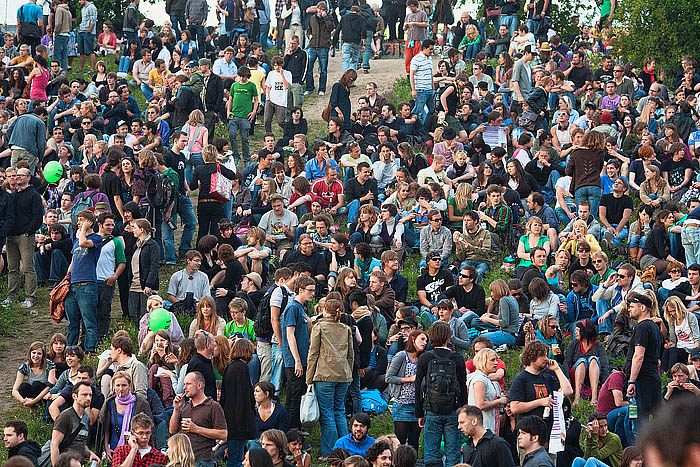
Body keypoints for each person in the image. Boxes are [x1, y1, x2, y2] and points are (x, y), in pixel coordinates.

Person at [415, 321, 467, 467]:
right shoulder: (457, 358)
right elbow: (462, 386)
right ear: (448, 337)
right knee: (453, 454)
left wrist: (419, 412)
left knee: (431, 455)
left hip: (431, 410)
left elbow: (419, 386)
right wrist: (463, 411)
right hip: (453, 410)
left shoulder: (425, 358)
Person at [306, 298, 353, 456]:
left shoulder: (319, 327)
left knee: (327, 414)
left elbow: (313, 354)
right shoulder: (346, 328)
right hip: (344, 375)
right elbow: (350, 355)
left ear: (324, 310)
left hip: (325, 375)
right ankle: (345, 449)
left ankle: (331, 453)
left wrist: (309, 378)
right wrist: (348, 372)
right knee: (339, 411)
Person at [4, 167, 43, 309]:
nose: (17, 177)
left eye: (21, 175)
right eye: (16, 175)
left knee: (27, 267)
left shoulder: (33, 195)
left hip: (25, 236)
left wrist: (29, 231)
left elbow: (38, 216)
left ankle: (30, 297)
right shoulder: (13, 195)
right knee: (12, 268)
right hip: (11, 236)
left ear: (28, 177)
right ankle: (11, 296)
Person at [169, 372, 227, 467]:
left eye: (188, 384)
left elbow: (223, 434)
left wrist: (196, 429)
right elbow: (172, 430)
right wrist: (176, 409)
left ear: (199, 385)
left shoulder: (213, 406)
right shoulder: (186, 406)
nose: (184, 388)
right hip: (184, 459)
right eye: (184, 384)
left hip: (203, 460)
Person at [64, 210, 102, 353]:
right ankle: (70, 351)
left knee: (89, 322)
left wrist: (84, 229)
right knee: (72, 323)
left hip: (87, 285)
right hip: (73, 285)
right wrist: (66, 279)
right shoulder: (76, 241)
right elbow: (73, 261)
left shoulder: (96, 238)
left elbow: (83, 243)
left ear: (89, 222)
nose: (78, 223)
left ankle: (90, 350)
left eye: (81, 220)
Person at [625, 292, 664, 429]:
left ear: (642, 308)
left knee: (639, 422)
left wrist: (631, 381)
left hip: (642, 380)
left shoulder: (642, 327)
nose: (629, 309)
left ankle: (640, 450)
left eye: (632, 306)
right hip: (652, 377)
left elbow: (639, 356)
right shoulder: (654, 327)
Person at [281, 275, 315, 430]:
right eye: (310, 290)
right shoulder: (293, 307)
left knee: (297, 395)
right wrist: (297, 361)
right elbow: (289, 334)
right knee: (294, 397)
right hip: (294, 361)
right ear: (300, 290)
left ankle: (293, 429)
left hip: (302, 357)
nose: (313, 293)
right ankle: (291, 431)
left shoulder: (301, 308)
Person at [510, 340, 574, 421]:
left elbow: (568, 391)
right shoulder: (520, 379)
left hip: (546, 428)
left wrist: (557, 369)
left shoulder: (547, 378)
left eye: (546, 356)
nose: (546, 359)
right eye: (542, 356)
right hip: (528, 428)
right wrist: (539, 402)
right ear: (532, 356)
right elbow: (515, 408)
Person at [98, 371, 152, 462]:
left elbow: (149, 427)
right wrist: (106, 446)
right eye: (117, 385)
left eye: (124, 385)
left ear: (129, 386)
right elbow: (106, 428)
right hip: (114, 449)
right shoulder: (110, 403)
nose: (120, 388)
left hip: (135, 447)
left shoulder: (140, 403)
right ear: (113, 386)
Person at [221, 338, 257, 467]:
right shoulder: (242, 368)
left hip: (230, 418)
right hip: (238, 422)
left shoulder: (230, 368)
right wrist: (244, 424)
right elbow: (242, 398)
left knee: (234, 457)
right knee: (235, 459)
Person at [49, 382, 101, 466]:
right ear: (74, 396)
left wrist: (90, 453)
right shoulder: (65, 416)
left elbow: (81, 442)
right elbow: (54, 444)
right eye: (84, 394)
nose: (88, 398)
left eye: (90, 395)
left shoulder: (86, 418)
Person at [563, 319, 610, 407]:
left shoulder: (599, 346)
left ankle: (594, 397)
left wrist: (604, 381)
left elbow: (605, 365)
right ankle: (577, 397)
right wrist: (567, 378)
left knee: (593, 359)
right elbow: (567, 362)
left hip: (593, 376)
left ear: (585, 331)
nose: (575, 332)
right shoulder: (574, 344)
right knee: (582, 361)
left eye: (578, 330)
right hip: (576, 375)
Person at [127, 219, 159, 325]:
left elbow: (154, 266)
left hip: (145, 285)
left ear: (142, 230)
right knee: (132, 313)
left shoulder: (153, 245)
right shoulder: (136, 245)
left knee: (144, 313)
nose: (133, 230)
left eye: (135, 228)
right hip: (134, 283)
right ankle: (139, 334)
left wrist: (149, 284)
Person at [468, 348, 508, 432]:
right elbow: (480, 405)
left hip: (488, 426)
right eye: (492, 360)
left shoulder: (484, 378)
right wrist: (499, 401)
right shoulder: (480, 380)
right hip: (482, 427)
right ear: (483, 361)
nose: (496, 363)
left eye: (496, 360)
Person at [226, 66, 259, 166]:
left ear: (247, 76)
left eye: (244, 76)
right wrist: (228, 111)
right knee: (232, 134)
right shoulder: (234, 85)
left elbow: (256, 99)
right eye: (240, 76)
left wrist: (254, 111)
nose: (242, 78)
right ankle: (236, 156)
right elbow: (230, 99)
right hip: (234, 114)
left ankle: (246, 158)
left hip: (245, 116)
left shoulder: (251, 86)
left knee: (245, 138)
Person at [11, 341, 56, 408]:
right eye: (33, 353)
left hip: (45, 392)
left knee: (36, 385)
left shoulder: (49, 365)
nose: (36, 356)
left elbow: (50, 385)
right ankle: (32, 407)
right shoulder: (25, 366)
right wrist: (24, 401)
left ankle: (41, 405)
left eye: (39, 354)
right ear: (30, 353)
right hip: (32, 394)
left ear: (43, 355)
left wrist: (34, 401)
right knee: (23, 386)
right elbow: (14, 391)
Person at [409, 39, 434, 125]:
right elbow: (411, 74)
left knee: (432, 111)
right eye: (430, 49)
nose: (432, 51)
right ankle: (418, 129)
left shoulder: (430, 58)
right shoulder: (416, 59)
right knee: (418, 112)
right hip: (420, 90)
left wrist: (433, 87)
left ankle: (426, 127)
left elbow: (430, 73)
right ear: (424, 48)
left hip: (429, 89)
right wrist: (413, 89)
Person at [186, 330, 217, 400]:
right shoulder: (197, 364)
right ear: (208, 345)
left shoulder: (205, 361)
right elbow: (190, 390)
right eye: (213, 341)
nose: (215, 344)